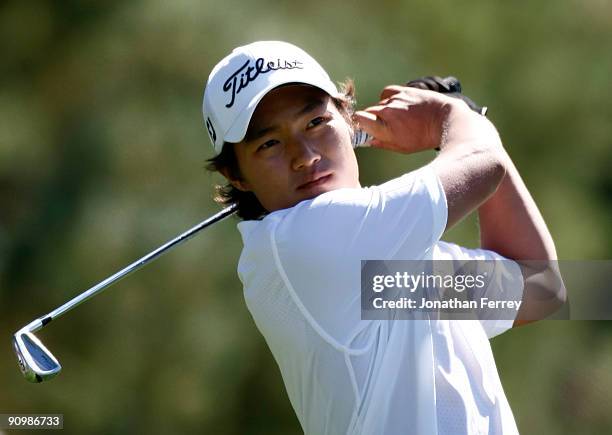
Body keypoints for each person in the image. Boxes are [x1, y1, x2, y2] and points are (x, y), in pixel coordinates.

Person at [202, 41, 565, 434]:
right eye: (269, 143)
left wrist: (466, 129)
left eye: (316, 123)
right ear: (236, 176)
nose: (303, 155)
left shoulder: (382, 265)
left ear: (347, 118)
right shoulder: (297, 246)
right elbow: (483, 163)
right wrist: (452, 117)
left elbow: (539, 286)